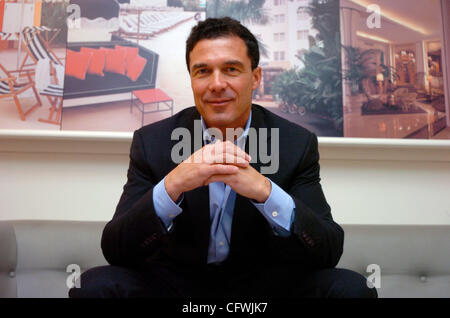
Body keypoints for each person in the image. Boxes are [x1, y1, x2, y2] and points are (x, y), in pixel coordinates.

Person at [69, 17, 377, 299]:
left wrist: (267, 193)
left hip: (264, 293)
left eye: (231, 69)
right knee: (93, 286)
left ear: (255, 77)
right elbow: (117, 251)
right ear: (192, 79)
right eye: (203, 71)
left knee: (350, 289)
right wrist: (172, 185)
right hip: (176, 289)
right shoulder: (153, 142)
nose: (216, 84)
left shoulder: (295, 143)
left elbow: (327, 251)